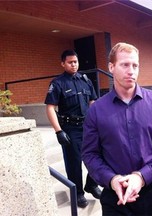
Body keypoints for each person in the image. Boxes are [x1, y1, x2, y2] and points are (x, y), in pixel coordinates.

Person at [81, 42, 152, 215]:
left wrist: (142, 177)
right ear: (111, 67)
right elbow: (90, 154)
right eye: (125, 64)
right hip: (115, 197)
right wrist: (111, 179)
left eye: (135, 65)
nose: (131, 70)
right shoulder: (96, 110)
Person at [44, 49, 102, 208]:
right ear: (63, 63)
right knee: (74, 163)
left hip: (88, 126)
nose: (74, 65)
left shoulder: (85, 80)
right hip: (70, 128)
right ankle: (78, 194)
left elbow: (92, 102)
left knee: (98, 155)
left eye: (75, 62)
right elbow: (50, 108)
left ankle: (91, 184)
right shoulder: (57, 83)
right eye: (70, 62)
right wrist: (58, 131)